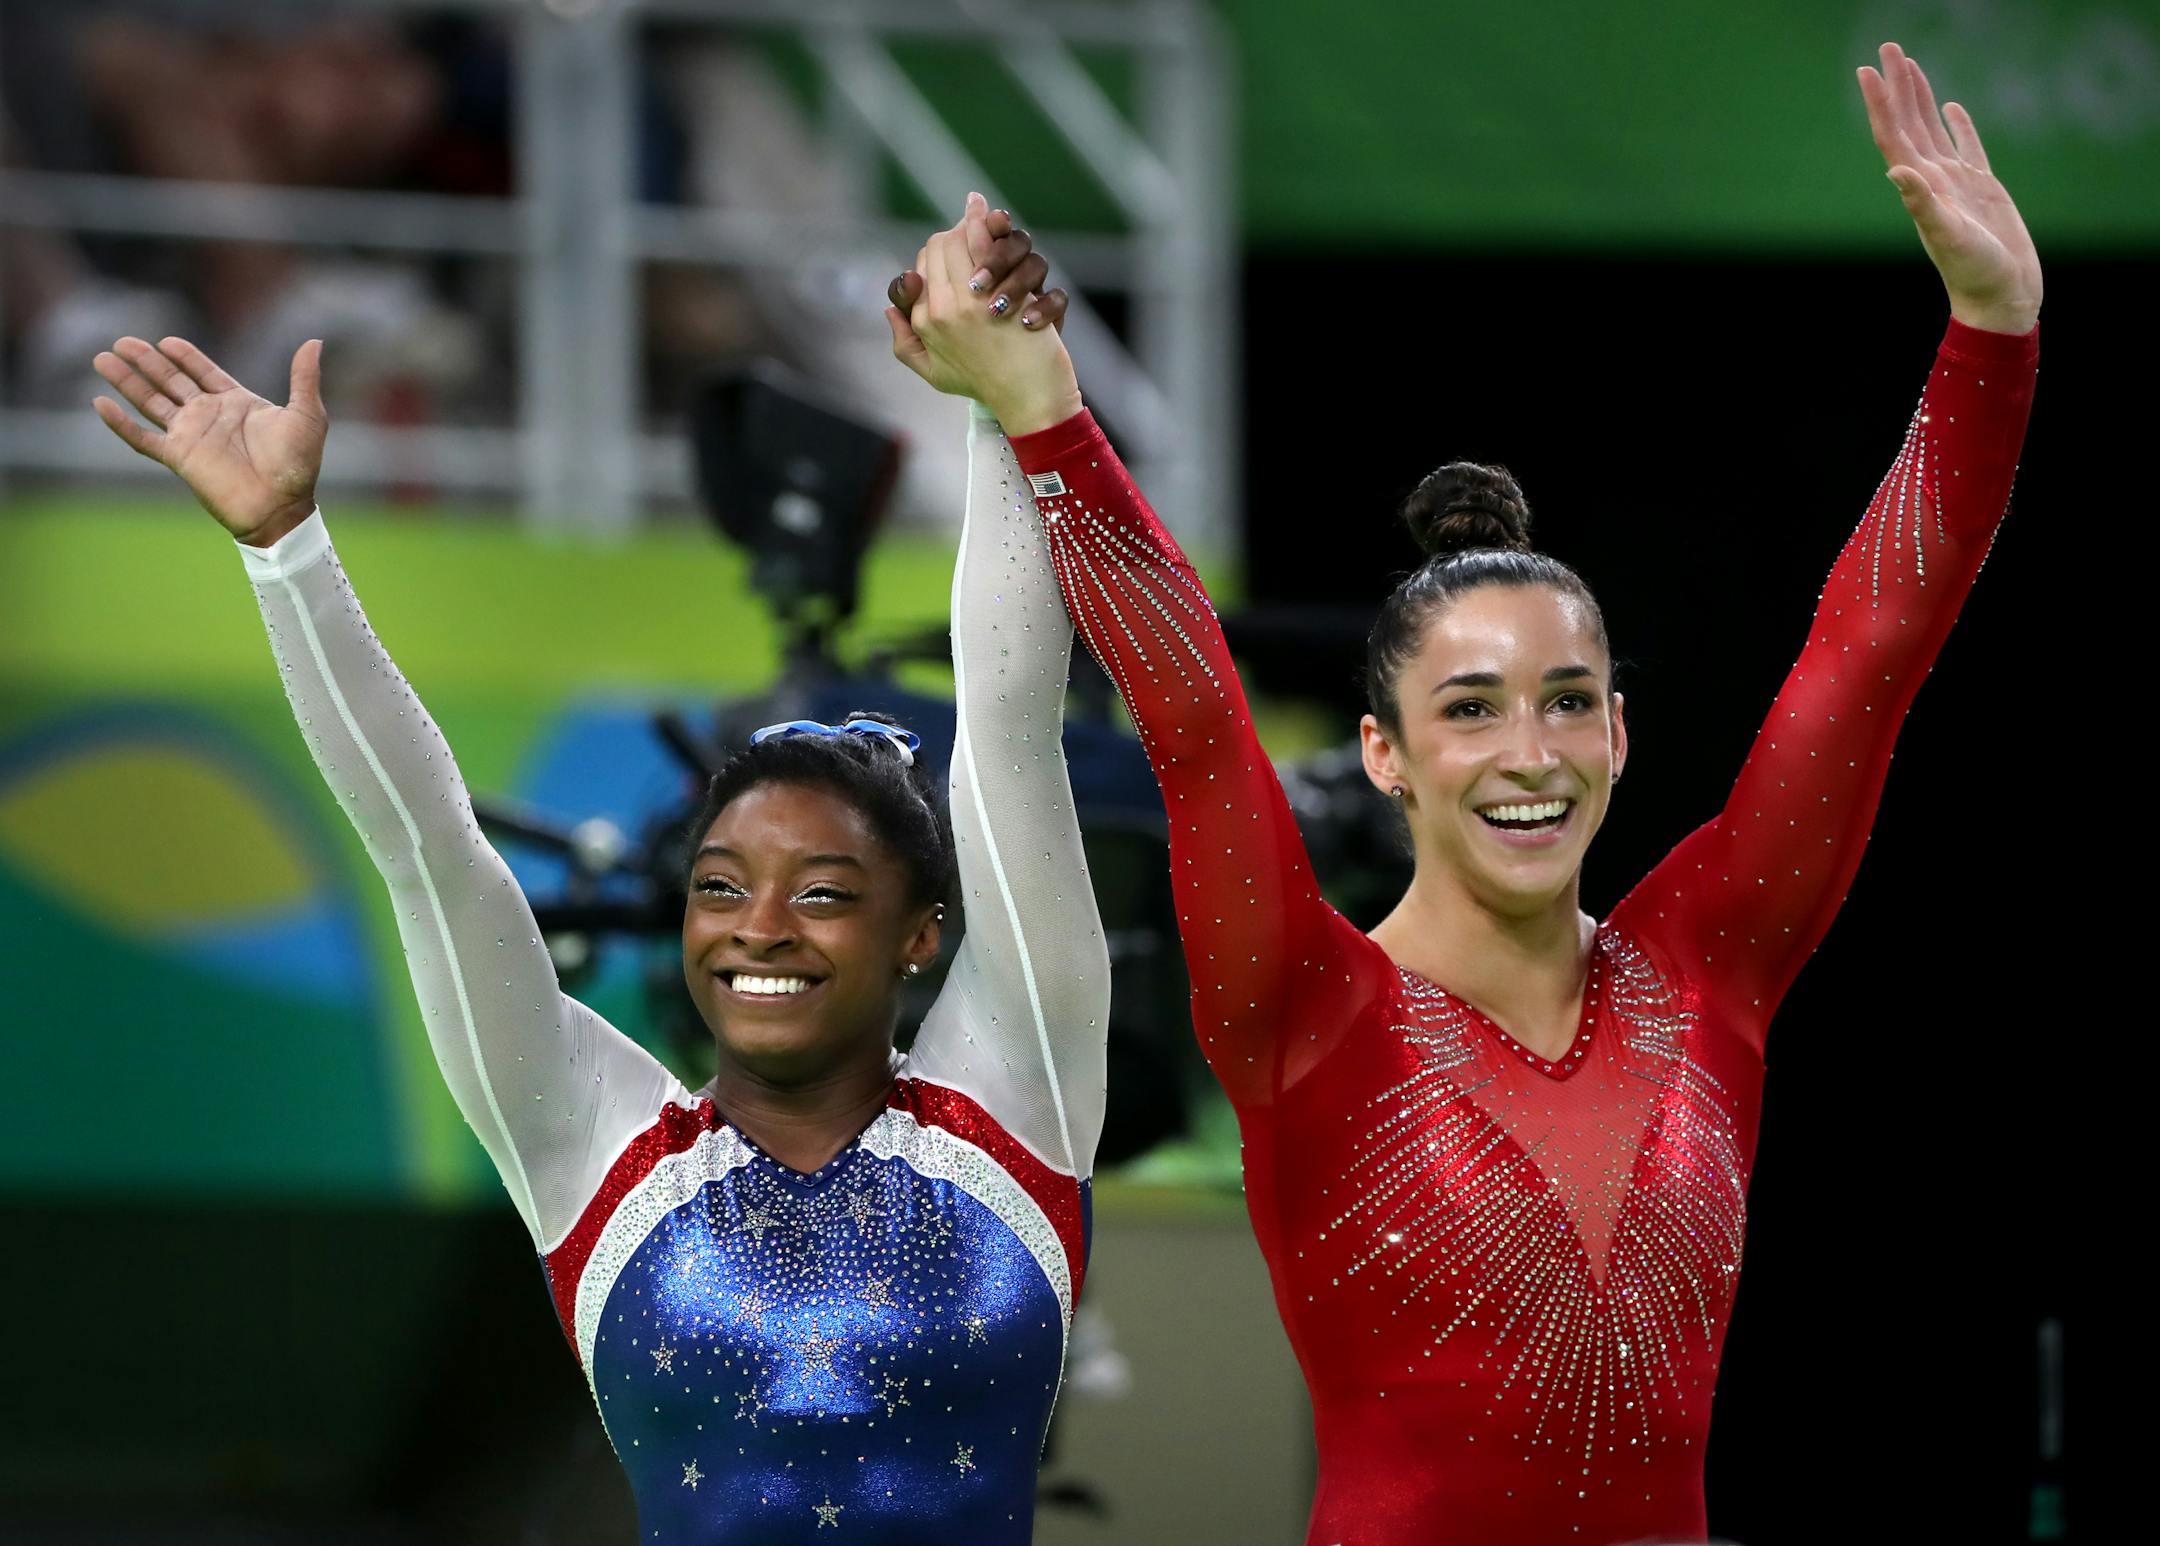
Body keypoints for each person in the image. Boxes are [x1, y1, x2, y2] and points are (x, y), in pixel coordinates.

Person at [885, 42, 2041, 1544]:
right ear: (1386, 754)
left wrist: (1993, 332)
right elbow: (1192, 719)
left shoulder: (1712, 968)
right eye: (1471, 709)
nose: (1530, 752)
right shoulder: (1305, 1007)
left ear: (1621, 734)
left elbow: (1870, 651)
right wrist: (1044, 409)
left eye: (1569, 702)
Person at [89, 213, 1106, 1545]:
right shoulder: (604, 1155)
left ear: (924, 935)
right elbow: (429, 852)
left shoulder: (1009, 1107)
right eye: (722, 884)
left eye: (823, 893)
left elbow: (1011, 726)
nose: (759, 929)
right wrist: (287, 549)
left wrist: (1004, 405)